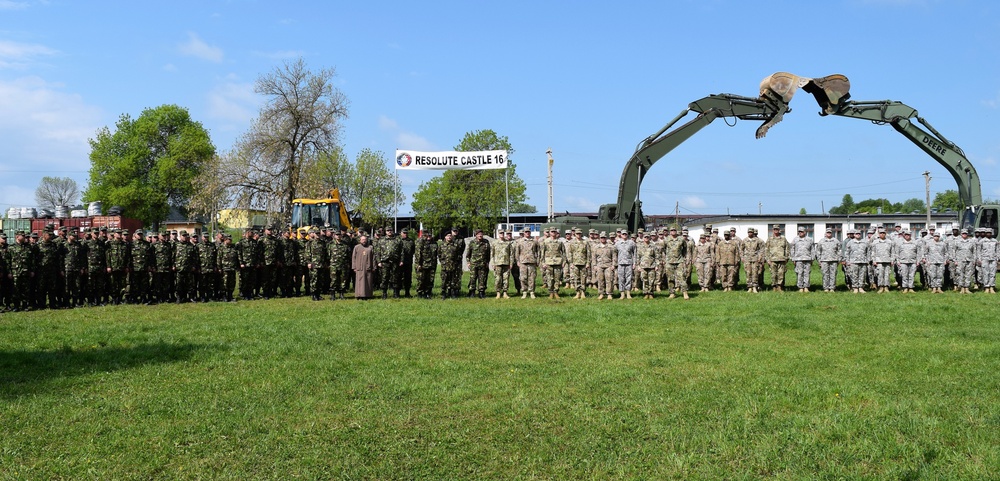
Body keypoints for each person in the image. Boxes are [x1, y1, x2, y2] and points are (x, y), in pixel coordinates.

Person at [541, 227, 566, 299]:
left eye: (555, 232)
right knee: (549, 278)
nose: (553, 233)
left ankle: (556, 292)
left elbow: (564, 253)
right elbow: (542, 253)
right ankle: (551, 292)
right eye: (552, 232)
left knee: (557, 278)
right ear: (550, 233)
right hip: (548, 262)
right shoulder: (545, 241)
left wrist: (564, 261)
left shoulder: (560, 242)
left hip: (558, 262)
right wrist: (543, 263)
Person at [515, 227, 539, 299]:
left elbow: (538, 252)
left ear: (530, 232)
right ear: (524, 233)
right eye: (526, 232)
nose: (527, 233)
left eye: (528, 232)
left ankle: (532, 292)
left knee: (532, 278)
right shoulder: (519, 241)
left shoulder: (534, 241)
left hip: (532, 261)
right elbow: (517, 252)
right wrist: (518, 261)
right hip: (523, 262)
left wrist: (537, 260)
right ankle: (524, 292)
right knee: (523, 278)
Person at [466, 229, 491, 298]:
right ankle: (472, 292)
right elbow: (468, 254)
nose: (480, 235)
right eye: (478, 234)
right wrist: (468, 262)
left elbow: (488, 253)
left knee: (482, 278)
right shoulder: (472, 242)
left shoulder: (486, 242)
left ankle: (481, 292)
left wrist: (487, 262)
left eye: (481, 234)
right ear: (476, 235)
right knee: (473, 278)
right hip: (473, 264)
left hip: (483, 263)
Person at [566, 228, 591, 299]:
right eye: (577, 234)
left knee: (583, 278)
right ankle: (577, 292)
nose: (578, 235)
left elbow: (588, 253)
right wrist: (571, 263)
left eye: (579, 233)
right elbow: (569, 253)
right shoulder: (572, 242)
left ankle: (583, 292)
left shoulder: (585, 242)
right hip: (575, 263)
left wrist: (588, 262)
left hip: (583, 263)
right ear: (575, 234)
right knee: (576, 278)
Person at [414, 230, 438, 299]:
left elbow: (437, 253)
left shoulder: (434, 243)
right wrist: (418, 264)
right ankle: (420, 293)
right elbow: (418, 254)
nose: (429, 237)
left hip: (432, 264)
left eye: (430, 235)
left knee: (430, 280)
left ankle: (428, 293)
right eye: (427, 236)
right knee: (421, 280)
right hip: (422, 264)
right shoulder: (420, 243)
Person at [789, 226, 815, 292]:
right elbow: (792, 249)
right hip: (798, 259)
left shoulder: (809, 239)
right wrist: (793, 259)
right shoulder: (795, 239)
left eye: (801, 232)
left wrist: (812, 258)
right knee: (799, 273)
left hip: (807, 258)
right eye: (799, 232)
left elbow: (812, 249)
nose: (800, 233)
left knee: (807, 273)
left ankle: (806, 287)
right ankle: (800, 287)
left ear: (805, 232)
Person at [438, 231, 462, 299]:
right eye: (448, 236)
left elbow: (458, 255)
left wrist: (456, 263)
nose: (449, 237)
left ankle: (452, 293)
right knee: (444, 280)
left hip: (453, 266)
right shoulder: (442, 245)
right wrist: (443, 262)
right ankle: (443, 293)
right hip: (445, 266)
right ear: (445, 237)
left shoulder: (455, 245)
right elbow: (439, 254)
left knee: (453, 280)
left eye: (450, 236)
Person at [491, 229, 514, 298]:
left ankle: (505, 293)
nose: (502, 234)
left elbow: (511, 254)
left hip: (506, 263)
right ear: (498, 234)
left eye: (503, 233)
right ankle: (498, 292)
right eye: (500, 233)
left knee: (506, 278)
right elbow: (492, 254)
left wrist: (511, 263)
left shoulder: (508, 243)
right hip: (497, 263)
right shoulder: (494, 243)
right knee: (498, 279)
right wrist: (493, 263)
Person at [765, 227, 789, 291]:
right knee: (773, 274)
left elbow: (787, 248)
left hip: (781, 259)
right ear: (773, 230)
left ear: (779, 230)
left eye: (777, 229)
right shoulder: (770, 239)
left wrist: (786, 258)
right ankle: (774, 286)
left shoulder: (783, 238)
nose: (776, 231)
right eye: (774, 229)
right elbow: (766, 250)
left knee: (781, 273)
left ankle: (779, 286)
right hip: (772, 259)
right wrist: (767, 259)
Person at [870, 228, 894, 293]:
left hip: (887, 260)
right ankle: (881, 287)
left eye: (883, 233)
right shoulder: (875, 242)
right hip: (879, 261)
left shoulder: (889, 242)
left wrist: (892, 260)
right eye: (881, 233)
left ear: (885, 234)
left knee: (887, 274)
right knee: (880, 274)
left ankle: (886, 287)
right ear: (879, 234)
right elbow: (873, 252)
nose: (882, 234)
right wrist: (874, 260)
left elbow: (892, 252)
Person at [351, 234, 375, 299]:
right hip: (359, 267)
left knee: (368, 281)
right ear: (360, 240)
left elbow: (373, 258)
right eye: (363, 239)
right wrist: (354, 267)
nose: (364, 241)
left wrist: (374, 267)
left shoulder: (370, 247)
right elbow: (353, 257)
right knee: (359, 281)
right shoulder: (356, 247)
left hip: (368, 267)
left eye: (365, 239)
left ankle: (368, 295)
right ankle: (359, 295)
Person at [615, 229, 636, 299]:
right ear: (621, 235)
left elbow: (634, 253)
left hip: (629, 263)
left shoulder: (631, 243)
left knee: (629, 278)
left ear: (627, 235)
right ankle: (622, 294)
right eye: (623, 234)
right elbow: (615, 253)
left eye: (625, 234)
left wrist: (634, 263)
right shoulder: (617, 243)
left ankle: (628, 293)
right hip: (620, 263)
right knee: (621, 278)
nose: (624, 235)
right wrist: (615, 263)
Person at [978, 228, 998, 293]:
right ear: (985, 233)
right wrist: (979, 259)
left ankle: (992, 287)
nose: (989, 234)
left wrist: (997, 258)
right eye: (987, 233)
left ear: (991, 233)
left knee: (993, 273)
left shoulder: (995, 241)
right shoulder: (982, 241)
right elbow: (979, 251)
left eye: (990, 233)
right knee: (985, 273)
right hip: (984, 259)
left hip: (993, 259)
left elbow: (998, 250)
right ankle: (986, 287)